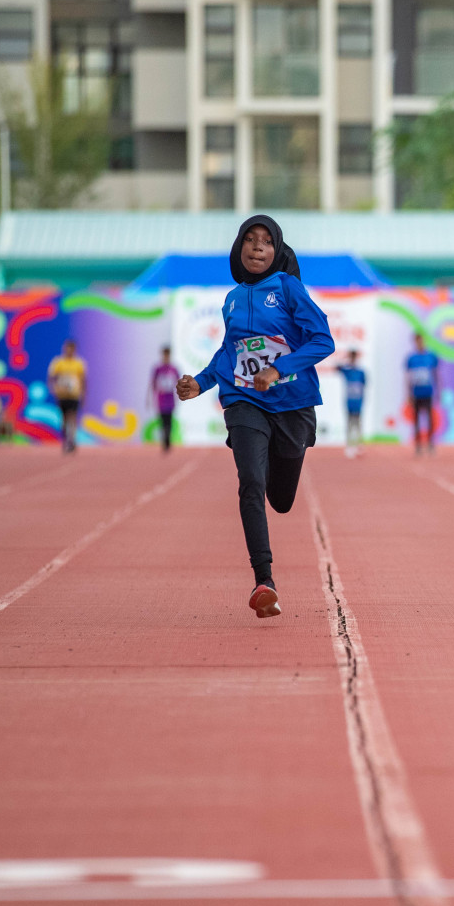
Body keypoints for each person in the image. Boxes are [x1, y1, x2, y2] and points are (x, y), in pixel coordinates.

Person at [176, 214, 334, 619]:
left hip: (292, 405)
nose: (258, 247)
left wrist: (279, 370)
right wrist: (203, 382)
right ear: (239, 248)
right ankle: (264, 581)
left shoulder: (287, 287)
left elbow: (323, 340)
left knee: (280, 499)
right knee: (250, 481)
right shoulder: (231, 299)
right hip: (245, 401)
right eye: (250, 240)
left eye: (266, 242)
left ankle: (279, 468)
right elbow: (230, 352)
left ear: (277, 251)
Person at [47, 339, 87, 453]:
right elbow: (51, 378)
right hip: (62, 395)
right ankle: (65, 439)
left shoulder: (79, 363)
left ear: (74, 350)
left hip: (74, 395)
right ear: (64, 349)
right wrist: (54, 389)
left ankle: (72, 440)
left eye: (71, 349)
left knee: (73, 418)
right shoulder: (58, 362)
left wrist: (83, 395)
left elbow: (84, 380)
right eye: (67, 348)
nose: (69, 351)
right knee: (64, 420)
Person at [406, 334, 439, 456]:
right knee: (416, 420)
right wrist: (408, 393)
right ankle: (418, 445)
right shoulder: (411, 358)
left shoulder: (431, 356)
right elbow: (408, 377)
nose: (420, 343)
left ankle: (431, 444)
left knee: (430, 419)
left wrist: (438, 391)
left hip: (428, 392)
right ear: (415, 342)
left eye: (421, 341)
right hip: (416, 393)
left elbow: (436, 374)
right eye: (417, 341)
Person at [150, 346, 180, 453]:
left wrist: (179, 396)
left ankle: (168, 441)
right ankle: (164, 441)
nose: (166, 357)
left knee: (169, 421)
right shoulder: (158, 369)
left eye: (168, 355)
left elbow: (178, 383)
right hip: (161, 399)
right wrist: (150, 398)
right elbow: (153, 383)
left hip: (170, 399)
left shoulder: (173, 369)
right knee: (163, 422)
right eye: (164, 355)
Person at [337, 349, 366, 458]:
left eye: (354, 357)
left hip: (358, 402)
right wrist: (345, 358)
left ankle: (359, 445)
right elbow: (337, 367)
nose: (353, 359)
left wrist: (363, 400)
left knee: (358, 424)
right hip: (349, 401)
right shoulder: (347, 371)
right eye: (351, 357)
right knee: (349, 424)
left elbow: (364, 386)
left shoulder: (361, 372)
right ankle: (349, 446)